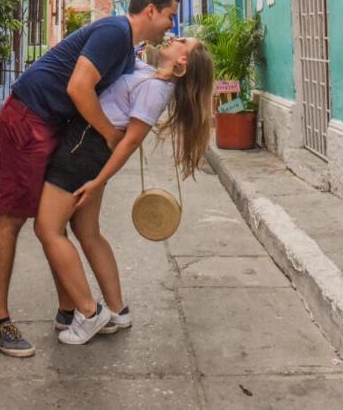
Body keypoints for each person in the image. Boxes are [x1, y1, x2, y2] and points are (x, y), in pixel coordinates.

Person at [0, 0, 180, 358]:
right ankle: (0, 320)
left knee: (54, 223)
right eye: (170, 17)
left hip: (53, 123)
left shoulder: (128, 50)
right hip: (29, 116)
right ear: (151, 11)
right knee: (14, 217)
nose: (171, 27)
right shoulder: (114, 32)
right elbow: (79, 88)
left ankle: (71, 309)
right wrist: (110, 135)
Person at [34, 36, 215, 346]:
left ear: (182, 63)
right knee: (87, 231)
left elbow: (130, 141)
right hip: (89, 148)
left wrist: (97, 180)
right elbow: (130, 54)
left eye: (182, 42)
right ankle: (118, 310)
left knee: (47, 229)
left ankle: (89, 314)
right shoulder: (149, 73)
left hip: (85, 149)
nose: (174, 37)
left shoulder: (157, 90)